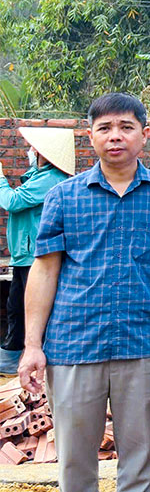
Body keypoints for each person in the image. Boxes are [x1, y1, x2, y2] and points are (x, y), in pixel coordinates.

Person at [19, 93, 150, 492]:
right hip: (74, 342)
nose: (116, 136)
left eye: (126, 127)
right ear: (89, 136)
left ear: (145, 134)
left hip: (143, 340)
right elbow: (44, 271)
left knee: (140, 450)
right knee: (76, 453)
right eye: (105, 128)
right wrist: (33, 345)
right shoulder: (64, 197)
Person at [0, 127, 74, 375]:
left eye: (33, 148)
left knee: (27, 308)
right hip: (25, 255)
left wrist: (0, 178)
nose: (29, 151)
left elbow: (11, 201)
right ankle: (11, 356)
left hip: (35, 256)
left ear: (43, 153)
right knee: (16, 306)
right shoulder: (38, 176)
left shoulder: (50, 180)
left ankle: (19, 357)